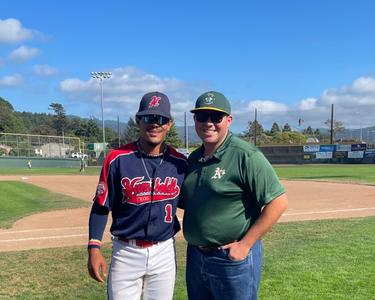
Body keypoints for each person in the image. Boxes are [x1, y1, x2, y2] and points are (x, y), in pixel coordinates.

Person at [180, 91, 288, 300]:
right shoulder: (194, 158)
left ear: (228, 121)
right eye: (202, 117)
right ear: (195, 120)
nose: (208, 123)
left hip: (230, 259)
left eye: (216, 117)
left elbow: (278, 201)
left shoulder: (245, 155)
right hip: (196, 256)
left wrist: (245, 245)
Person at [87, 91, 188, 300]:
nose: (155, 124)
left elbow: (195, 203)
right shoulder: (118, 159)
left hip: (164, 251)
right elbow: (101, 205)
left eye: (161, 119)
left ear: (169, 124)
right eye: (148, 118)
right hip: (126, 252)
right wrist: (94, 247)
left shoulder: (180, 163)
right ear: (138, 120)